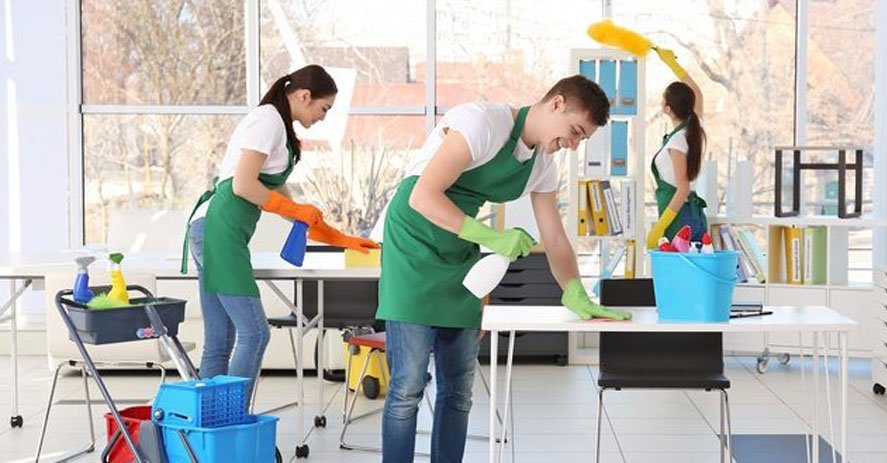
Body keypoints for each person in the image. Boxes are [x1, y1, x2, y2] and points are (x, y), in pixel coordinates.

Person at [376, 75, 632, 462]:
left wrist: (575, 290)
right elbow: (423, 196)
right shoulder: (483, 122)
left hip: (460, 245)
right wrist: (492, 237)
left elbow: (555, 236)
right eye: (575, 132)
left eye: (582, 139)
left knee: (459, 388)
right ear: (556, 103)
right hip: (413, 241)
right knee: (408, 387)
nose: (574, 145)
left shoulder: (542, 165)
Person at [181, 64, 379, 404]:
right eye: (323, 108)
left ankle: (209, 422)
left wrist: (344, 240)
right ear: (304, 96)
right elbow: (243, 185)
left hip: (211, 229)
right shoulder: (268, 120)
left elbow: (290, 209)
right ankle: (233, 416)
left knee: (220, 337)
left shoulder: (279, 128)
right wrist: (297, 211)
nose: (323, 117)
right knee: (255, 333)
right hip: (217, 230)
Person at [644, 53, 709, 250]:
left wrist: (660, 227)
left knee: (675, 270)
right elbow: (697, 91)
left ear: (668, 109)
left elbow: (683, 188)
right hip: (694, 216)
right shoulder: (694, 129)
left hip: (679, 218)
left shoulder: (678, 142)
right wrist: (672, 63)